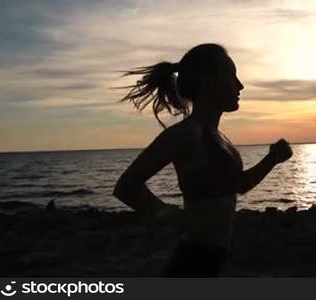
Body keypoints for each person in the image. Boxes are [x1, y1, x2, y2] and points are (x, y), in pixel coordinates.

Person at [113, 43, 293, 277]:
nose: (240, 85)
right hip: (193, 260)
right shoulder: (185, 134)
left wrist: (272, 159)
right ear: (207, 82)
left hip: (216, 259)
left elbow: (239, 185)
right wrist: (175, 218)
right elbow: (126, 187)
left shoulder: (221, 139)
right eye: (231, 75)